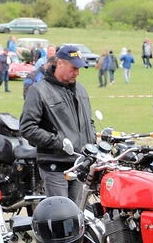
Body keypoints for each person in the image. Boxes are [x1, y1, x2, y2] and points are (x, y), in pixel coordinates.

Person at [20, 46, 96, 202]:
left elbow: (88, 120)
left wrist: (92, 138)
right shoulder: (39, 91)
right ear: (60, 63)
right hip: (55, 165)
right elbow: (27, 128)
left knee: (79, 215)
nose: (77, 72)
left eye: (79, 68)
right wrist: (59, 142)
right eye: (74, 68)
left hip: (80, 164)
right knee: (61, 214)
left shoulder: (80, 90)